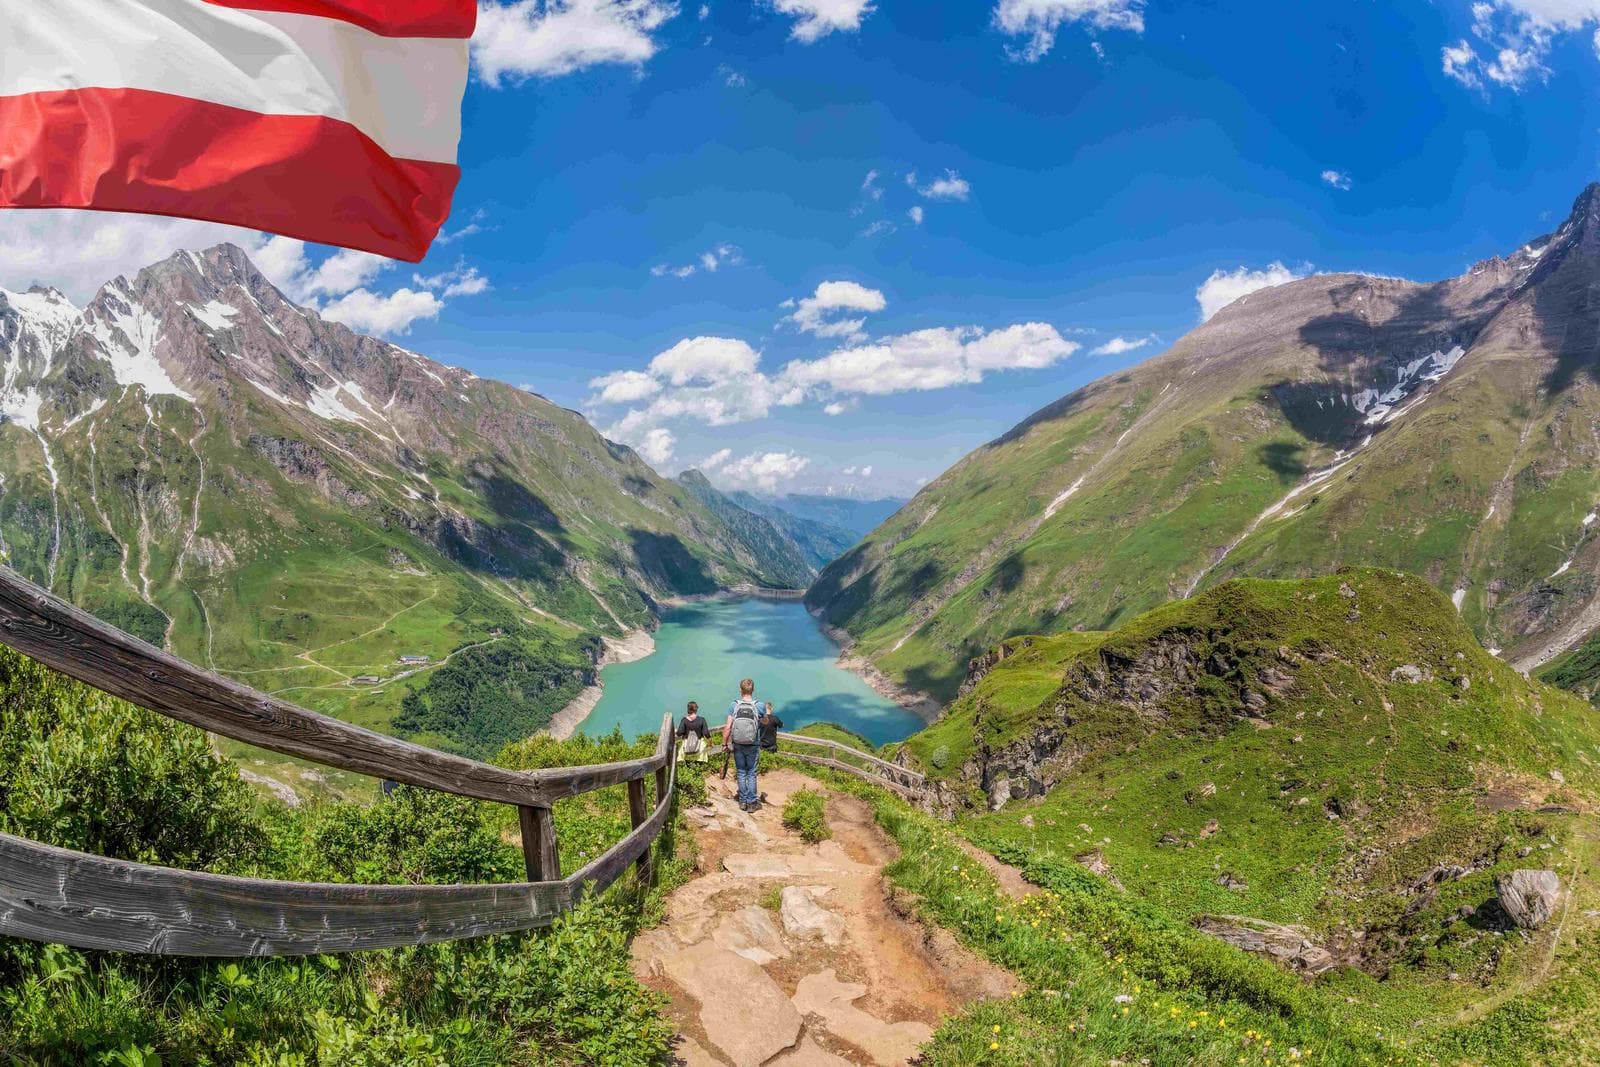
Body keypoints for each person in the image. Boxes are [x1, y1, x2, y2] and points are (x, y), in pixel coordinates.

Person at [723, 678, 763, 812]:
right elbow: (765, 721)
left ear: (740, 690)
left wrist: (725, 744)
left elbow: (728, 727)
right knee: (751, 772)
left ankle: (742, 801)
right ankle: (752, 803)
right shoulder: (759, 706)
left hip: (738, 744)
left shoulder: (734, 705)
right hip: (753, 744)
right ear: (753, 690)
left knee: (741, 772)